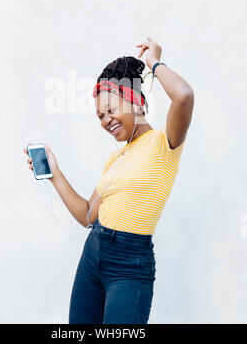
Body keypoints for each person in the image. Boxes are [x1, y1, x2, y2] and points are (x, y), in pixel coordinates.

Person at [24, 36, 194, 324]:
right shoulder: (116, 159)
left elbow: (184, 96)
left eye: (111, 110)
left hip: (130, 265)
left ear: (137, 101)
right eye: (100, 115)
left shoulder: (164, 143)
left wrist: (153, 63)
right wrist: (54, 172)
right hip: (93, 254)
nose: (105, 121)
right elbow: (88, 215)